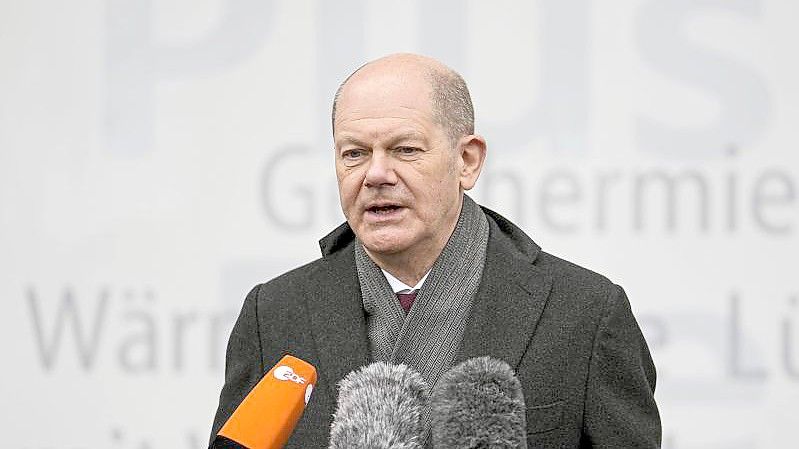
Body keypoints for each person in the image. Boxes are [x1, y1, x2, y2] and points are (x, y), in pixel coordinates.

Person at [209, 53, 661, 448]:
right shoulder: (274, 313)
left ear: (467, 161)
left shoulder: (584, 312)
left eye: (405, 150)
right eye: (354, 154)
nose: (376, 174)